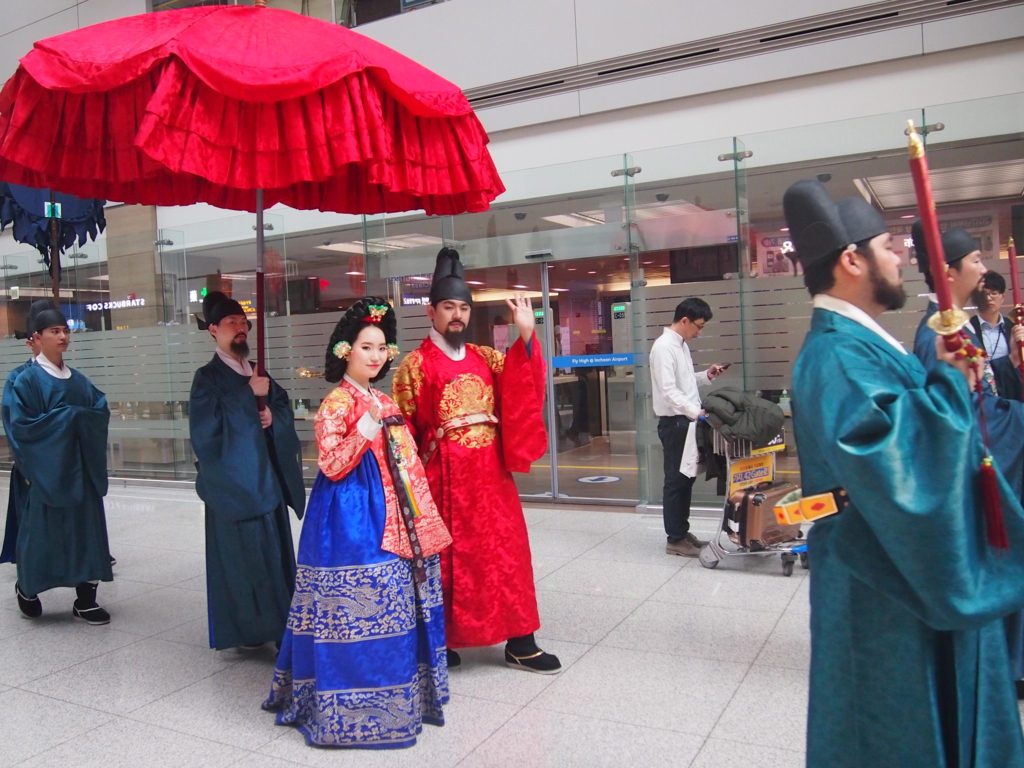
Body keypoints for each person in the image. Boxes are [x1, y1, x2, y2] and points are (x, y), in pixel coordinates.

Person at [784, 178, 1024, 768]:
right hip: (880, 580)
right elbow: (890, 462)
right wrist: (945, 384)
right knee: (892, 729)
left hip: (898, 566)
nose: (900, 260)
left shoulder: (861, 343)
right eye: (888, 249)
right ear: (851, 259)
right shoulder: (835, 353)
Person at [264, 298, 452, 748]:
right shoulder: (334, 403)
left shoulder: (385, 399)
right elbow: (331, 464)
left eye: (381, 347)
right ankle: (346, 706)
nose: (375, 355)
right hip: (350, 519)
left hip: (396, 514)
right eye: (366, 346)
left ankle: (405, 696)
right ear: (346, 351)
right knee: (357, 605)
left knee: (401, 600)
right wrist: (366, 426)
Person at [392, 247, 558, 674]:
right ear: (431, 312)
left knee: (508, 554)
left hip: (490, 476)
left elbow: (523, 389)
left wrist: (526, 335)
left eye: (464, 307)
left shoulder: (487, 358)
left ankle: (521, 640)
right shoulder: (413, 366)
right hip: (441, 477)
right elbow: (404, 431)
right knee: (444, 561)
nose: (458, 316)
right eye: (449, 307)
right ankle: (440, 638)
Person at [189, 291, 305, 650]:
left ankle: (279, 625)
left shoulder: (257, 370)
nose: (240, 329)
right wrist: (245, 397)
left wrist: (272, 417)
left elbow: (280, 405)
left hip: (265, 478)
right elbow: (205, 430)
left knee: (274, 556)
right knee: (245, 561)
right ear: (212, 330)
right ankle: (249, 631)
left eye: (244, 323)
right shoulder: (206, 377)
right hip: (234, 486)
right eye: (231, 323)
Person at [9, 307, 112, 624]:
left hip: (82, 473)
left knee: (87, 534)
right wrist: (70, 417)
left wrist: (81, 418)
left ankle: (85, 599)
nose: (63, 336)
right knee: (42, 535)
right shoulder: (26, 382)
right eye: (54, 331)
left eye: (65, 330)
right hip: (49, 472)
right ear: (37, 338)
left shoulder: (80, 382)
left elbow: (99, 411)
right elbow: (22, 427)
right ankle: (28, 588)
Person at [649, 298, 726, 557]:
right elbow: (668, 390)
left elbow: (683, 382)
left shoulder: (680, 345)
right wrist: (697, 412)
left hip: (687, 421)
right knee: (676, 481)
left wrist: (706, 376)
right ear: (684, 320)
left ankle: (682, 532)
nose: (699, 332)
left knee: (686, 479)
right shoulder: (663, 347)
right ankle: (675, 538)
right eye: (698, 326)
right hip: (676, 423)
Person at [1, 299, 51, 565]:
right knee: (34, 527)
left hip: (65, 468)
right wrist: (30, 468)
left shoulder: (68, 377)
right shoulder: (19, 378)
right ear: (33, 340)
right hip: (33, 468)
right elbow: (15, 427)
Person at [971, 270, 1013, 361]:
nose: (989, 298)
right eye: (984, 294)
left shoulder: (1012, 328)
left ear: (1002, 298)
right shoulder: (969, 328)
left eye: (994, 293)